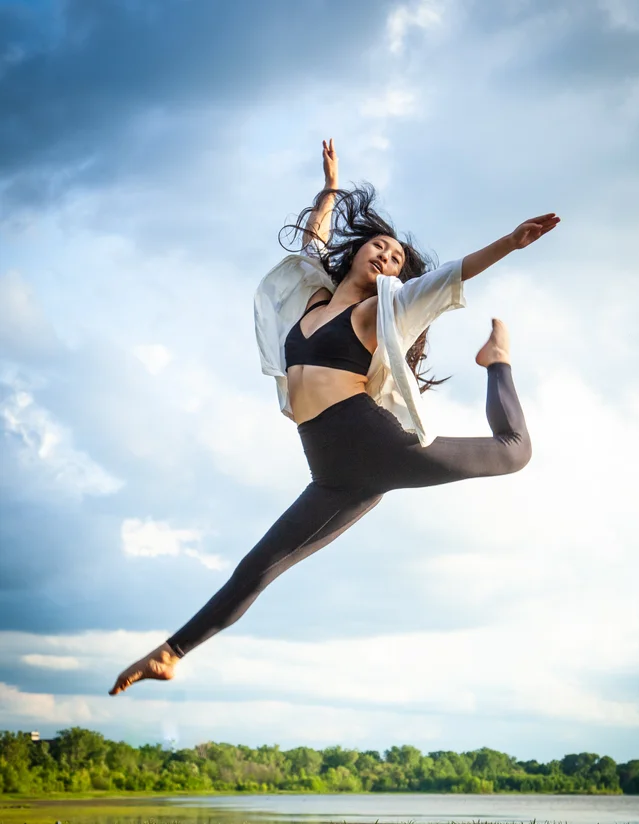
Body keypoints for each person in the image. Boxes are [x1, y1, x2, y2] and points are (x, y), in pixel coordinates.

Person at [109, 138, 559, 695]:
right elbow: (309, 247)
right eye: (378, 246)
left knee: (515, 451)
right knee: (260, 565)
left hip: (379, 445)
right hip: (333, 473)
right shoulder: (311, 302)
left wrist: (510, 244)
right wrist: (327, 192)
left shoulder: (379, 311)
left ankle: (497, 361)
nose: (387, 257)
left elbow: (447, 276)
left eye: (396, 258)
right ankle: (172, 652)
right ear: (356, 252)